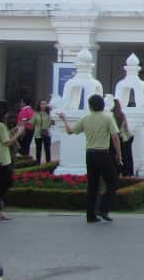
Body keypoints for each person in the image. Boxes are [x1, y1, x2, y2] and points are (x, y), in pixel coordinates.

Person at [56, 93, 121, 223]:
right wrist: (118, 154)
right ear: (102, 105)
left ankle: (90, 215)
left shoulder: (86, 118)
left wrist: (64, 120)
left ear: (90, 106)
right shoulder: (108, 118)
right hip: (102, 153)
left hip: (90, 154)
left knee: (92, 185)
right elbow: (115, 136)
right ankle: (103, 209)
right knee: (113, 182)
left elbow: (70, 131)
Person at [112, 99, 135, 177]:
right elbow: (126, 128)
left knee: (118, 158)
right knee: (127, 157)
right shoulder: (122, 114)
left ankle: (118, 173)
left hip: (119, 138)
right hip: (126, 138)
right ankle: (128, 174)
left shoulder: (111, 116)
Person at [32, 100, 52, 164]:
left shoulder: (48, 114)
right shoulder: (35, 114)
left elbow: (51, 123)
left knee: (47, 150)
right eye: (42, 104)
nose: (43, 105)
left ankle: (48, 164)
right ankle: (38, 164)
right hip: (38, 133)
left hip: (46, 133)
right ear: (39, 105)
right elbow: (31, 122)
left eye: (45, 104)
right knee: (38, 150)